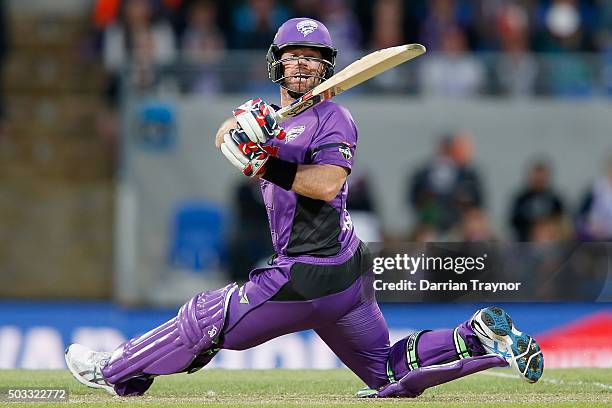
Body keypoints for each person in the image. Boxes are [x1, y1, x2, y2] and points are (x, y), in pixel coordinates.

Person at [65, 17, 543, 398]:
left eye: (313, 60)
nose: (302, 66)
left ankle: (113, 370)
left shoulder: (335, 118)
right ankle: (478, 337)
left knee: (205, 316)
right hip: (345, 272)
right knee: (387, 373)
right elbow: (224, 138)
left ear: (325, 68)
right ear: (277, 64)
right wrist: (244, 133)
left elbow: (327, 182)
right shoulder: (273, 117)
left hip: (309, 272)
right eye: (293, 57)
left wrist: (264, 166)